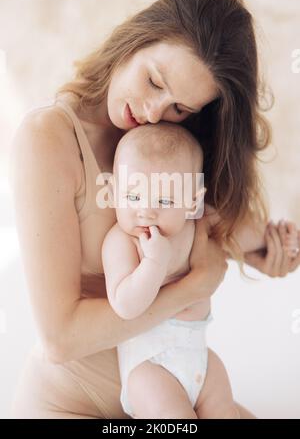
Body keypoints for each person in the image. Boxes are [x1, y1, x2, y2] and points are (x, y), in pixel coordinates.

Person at [9, 0, 300, 418]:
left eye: (180, 107)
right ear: (136, 40)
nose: (152, 111)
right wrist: (193, 287)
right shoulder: (48, 138)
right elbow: (59, 339)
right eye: (153, 81)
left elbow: (213, 227)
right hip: (71, 404)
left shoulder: (168, 144)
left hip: (177, 394)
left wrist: (268, 250)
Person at [102, 122, 298, 419]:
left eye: (164, 200)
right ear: (115, 192)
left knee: (226, 411)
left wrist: (274, 238)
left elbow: (238, 231)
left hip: (201, 361)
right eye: (133, 196)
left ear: (192, 202)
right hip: (150, 369)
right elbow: (125, 305)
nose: (146, 210)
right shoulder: (122, 241)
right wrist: (153, 265)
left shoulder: (196, 225)